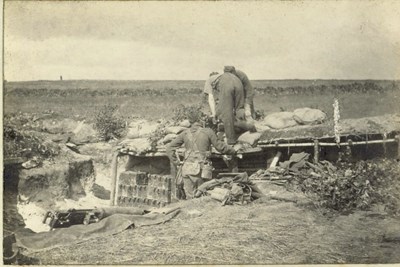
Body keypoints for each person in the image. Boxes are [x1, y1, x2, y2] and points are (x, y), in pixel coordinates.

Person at [166, 111, 239, 199]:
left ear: (190, 121)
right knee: (202, 197)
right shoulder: (208, 132)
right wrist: (233, 150)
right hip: (201, 169)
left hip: (186, 169)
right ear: (200, 120)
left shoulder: (184, 133)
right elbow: (220, 147)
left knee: (190, 199)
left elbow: (169, 148)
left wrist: (177, 162)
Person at [203, 71, 246, 145]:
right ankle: (243, 129)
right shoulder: (227, 77)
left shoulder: (209, 81)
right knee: (239, 111)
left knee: (226, 115)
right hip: (239, 84)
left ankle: (230, 141)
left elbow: (211, 98)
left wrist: (214, 114)